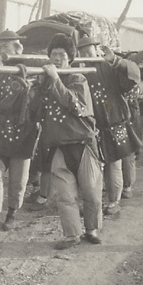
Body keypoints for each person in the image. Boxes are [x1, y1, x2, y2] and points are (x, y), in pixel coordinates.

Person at [30, 33, 103, 249]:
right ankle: (72, 235)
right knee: (65, 196)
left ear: (70, 58)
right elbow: (35, 113)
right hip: (59, 147)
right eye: (54, 55)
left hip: (83, 145)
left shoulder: (79, 79)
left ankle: (92, 229)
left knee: (91, 193)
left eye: (62, 55)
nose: (58, 59)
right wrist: (33, 90)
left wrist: (54, 80)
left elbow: (75, 106)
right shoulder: (45, 82)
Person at [77, 36, 141, 215]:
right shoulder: (78, 69)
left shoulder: (109, 66)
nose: (85, 54)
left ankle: (114, 202)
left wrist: (115, 60)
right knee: (92, 167)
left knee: (114, 164)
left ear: (96, 49)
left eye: (88, 50)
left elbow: (133, 76)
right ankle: (93, 202)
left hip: (114, 124)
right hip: (92, 127)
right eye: (81, 51)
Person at [0, 30, 39, 232]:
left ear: (18, 48)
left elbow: (37, 102)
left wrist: (27, 89)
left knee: (18, 179)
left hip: (24, 131)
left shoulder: (34, 71)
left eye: (6, 46)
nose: (2, 51)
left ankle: (12, 214)